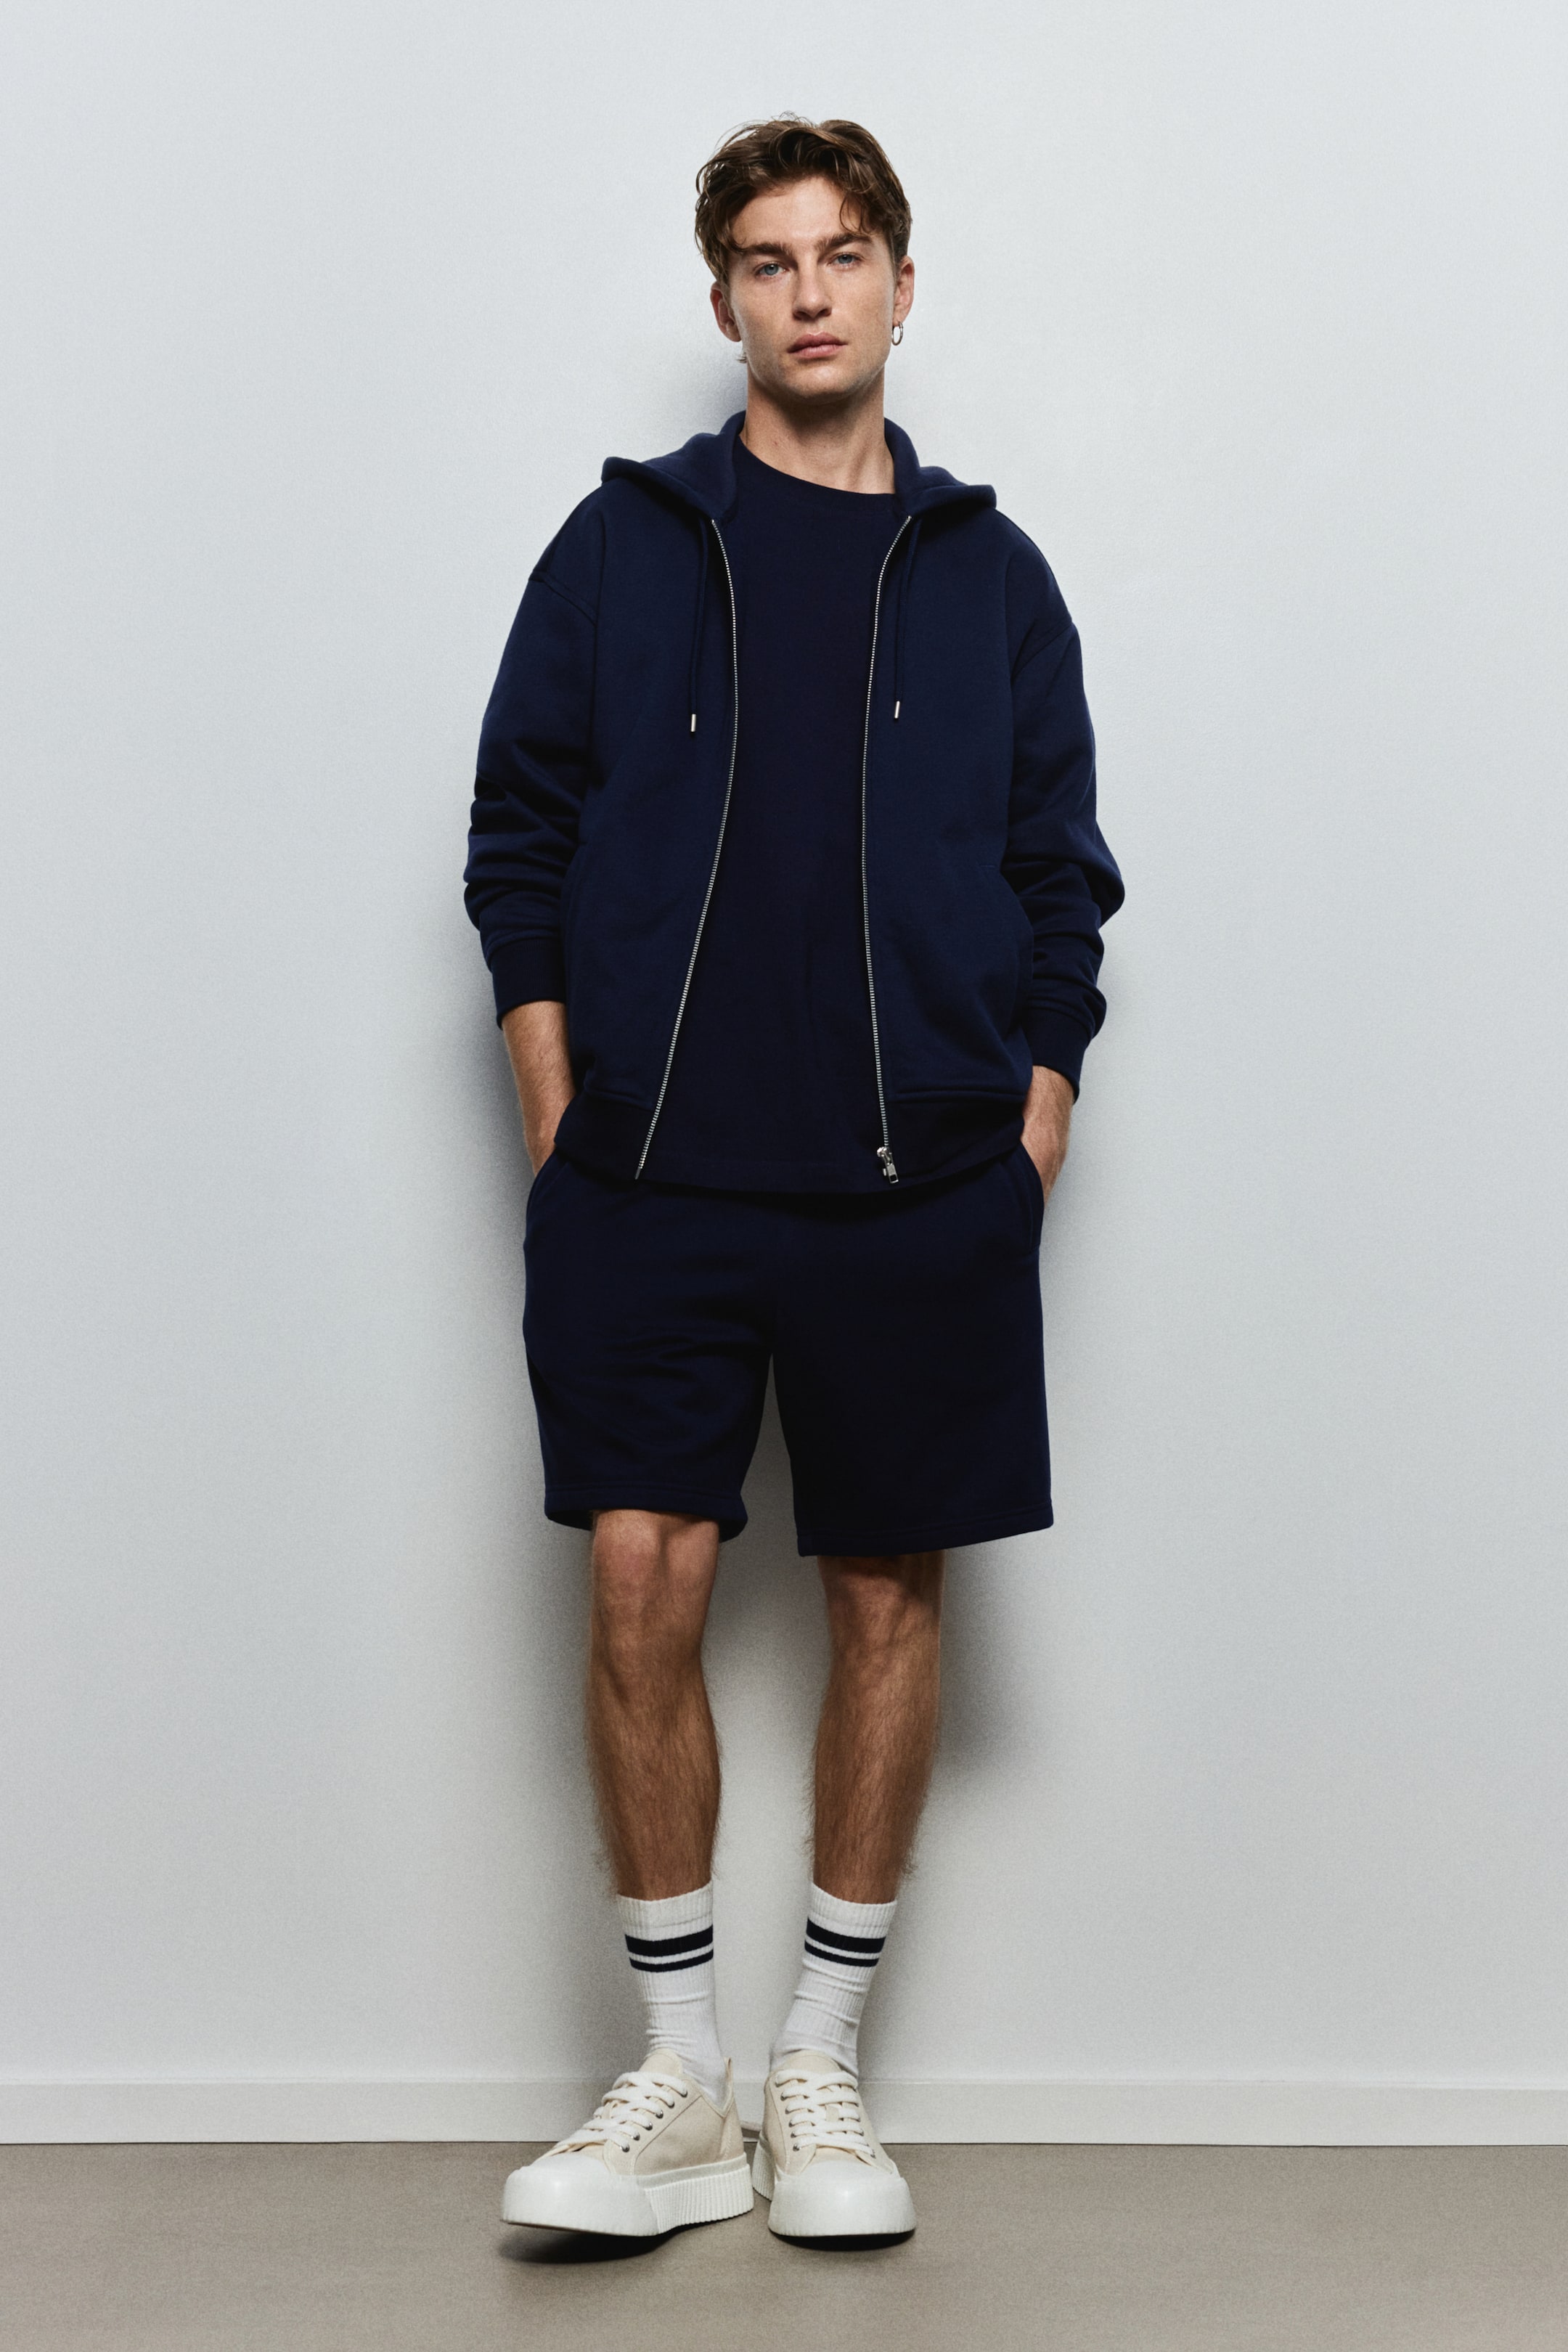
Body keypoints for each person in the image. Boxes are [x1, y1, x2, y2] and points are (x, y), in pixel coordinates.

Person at [464, 114, 1122, 2243]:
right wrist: (559, 1109)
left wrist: (1029, 1127)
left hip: (922, 1182)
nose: (810, 290)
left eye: (844, 253)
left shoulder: (994, 576)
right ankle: (677, 2079)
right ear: (725, 298)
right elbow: (518, 834)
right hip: (651, 1175)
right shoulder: (624, 545)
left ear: (902, 287)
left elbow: (1059, 882)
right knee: (639, 1583)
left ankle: (821, 2072)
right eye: (768, 259)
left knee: (886, 1599)